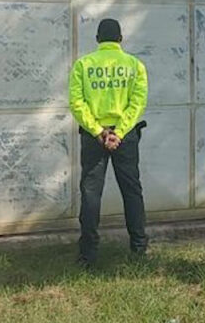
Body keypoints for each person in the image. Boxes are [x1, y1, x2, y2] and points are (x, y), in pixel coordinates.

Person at [69, 18, 149, 265]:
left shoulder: (83, 65)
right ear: (120, 39)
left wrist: (99, 132)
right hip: (125, 138)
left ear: (97, 40)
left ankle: (88, 255)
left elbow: (77, 103)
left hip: (95, 139)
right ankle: (138, 248)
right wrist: (120, 132)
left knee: (91, 193)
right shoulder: (135, 66)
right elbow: (137, 104)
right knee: (132, 191)